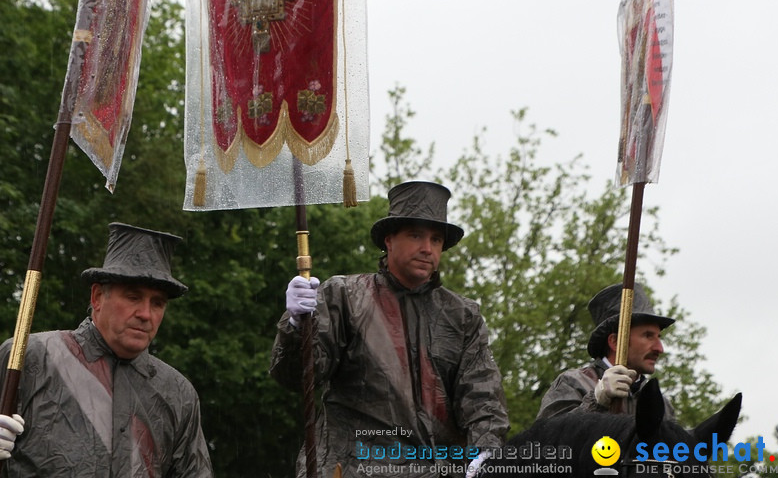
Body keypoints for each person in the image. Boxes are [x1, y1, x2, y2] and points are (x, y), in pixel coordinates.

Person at [0, 223, 213, 478]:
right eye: (133, 297)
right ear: (98, 296)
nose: (146, 314)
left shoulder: (178, 393)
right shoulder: (27, 356)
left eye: (158, 303)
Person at [270, 181, 509, 478]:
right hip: (351, 469)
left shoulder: (463, 316)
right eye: (416, 235)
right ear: (389, 240)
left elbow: (482, 395)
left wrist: (485, 454)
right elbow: (296, 377)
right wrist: (295, 326)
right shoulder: (344, 297)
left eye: (436, 240)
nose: (427, 248)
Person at [536, 283, 675, 420]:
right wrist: (596, 402)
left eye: (658, 337)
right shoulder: (572, 383)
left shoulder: (662, 406)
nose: (659, 348)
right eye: (648, 336)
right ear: (615, 342)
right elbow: (547, 437)